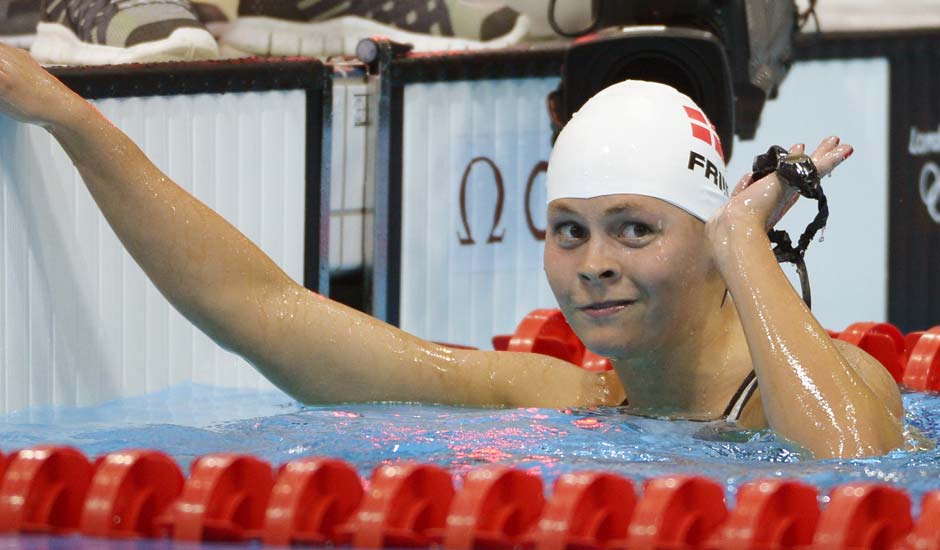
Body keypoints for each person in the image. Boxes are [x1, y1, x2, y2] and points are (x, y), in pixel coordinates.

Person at [0, 44, 903, 459]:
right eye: (569, 229)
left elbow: (852, 470)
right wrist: (75, 123)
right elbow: (260, 309)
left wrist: (744, 241)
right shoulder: (565, 401)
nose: (593, 261)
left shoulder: (851, 379)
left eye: (637, 228)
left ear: (708, 238)